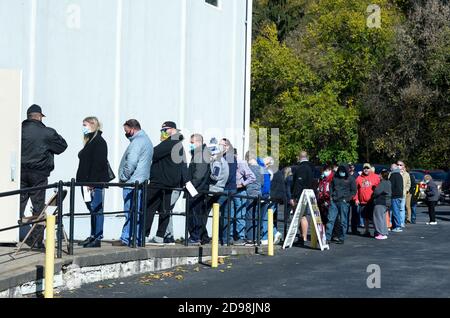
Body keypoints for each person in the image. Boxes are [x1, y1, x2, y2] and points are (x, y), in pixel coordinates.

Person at [20, 104, 67, 248]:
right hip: (39, 174)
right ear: (39, 117)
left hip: (19, 172)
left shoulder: (18, 130)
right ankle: (36, 240)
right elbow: (62, 146)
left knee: (17, 204)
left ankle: (7, 235)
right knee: (38, 207)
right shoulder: (47, 132)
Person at [146, 121, 187, 245]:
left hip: (160, 182)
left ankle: (144, 235)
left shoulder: (171, 142)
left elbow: (153, 153)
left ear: (173, 130)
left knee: (149, 207)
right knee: (164, 210)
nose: (162, 132)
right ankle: (160, 236)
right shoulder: (178, 144)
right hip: (168, 183)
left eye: (165, 129)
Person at [115, 119, 153, 246]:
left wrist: (123, 176)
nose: (125, 133)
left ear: (132, 129)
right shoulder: (147, 140)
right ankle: (136, 238)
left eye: (126, 130)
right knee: (137, 212)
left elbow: (131, 162)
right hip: (141, 182)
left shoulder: (137, 142)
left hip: (132, 183)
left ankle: (127, 238)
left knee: (130, 212)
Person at [76, 117, 110, 248]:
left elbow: (98, 163)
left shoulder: (99, 142)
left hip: (93, 183)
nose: (83, 127)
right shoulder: (90, 141)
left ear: (92, 124)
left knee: (97, 209)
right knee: (92, 209)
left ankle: (97, 237)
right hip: (85, 182)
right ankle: (92, 235)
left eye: (85, 125)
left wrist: (92, 182)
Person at [186, 134, 211, 245]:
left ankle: (195, 237)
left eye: (192, 142)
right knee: (197, 214)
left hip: (196, 189)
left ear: (198, 142)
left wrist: (190, 185)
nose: (190, 144)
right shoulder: (199, 153)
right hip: (197, 188)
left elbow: (199, 175)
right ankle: (202, 237)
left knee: (194, 214)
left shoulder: (200, 154)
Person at [325, 164, 356, 244]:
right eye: (340, 171)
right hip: (334, 201)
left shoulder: (351, 179)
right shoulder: (335, 177)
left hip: (344, 202)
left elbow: (353, 191)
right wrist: (331, 197)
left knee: (343, 221)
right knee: (330, 220)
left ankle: (342, 238)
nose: (342, 173)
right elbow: (331, 187)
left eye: (343, 171)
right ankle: (327, 238)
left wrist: (347, 199)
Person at [291, 151, 314, 244]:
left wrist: (294, 197)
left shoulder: (302, 168)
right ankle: (302, 236)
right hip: (309, 193)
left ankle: (303, 237)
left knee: (302, 216)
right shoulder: (311, 167)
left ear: (299, 157)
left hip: (301, 195)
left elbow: (298, 183)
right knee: (302, 216)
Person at [234, 149, 256, 245]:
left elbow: (252, 177)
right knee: (231, 214)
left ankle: (241, 237)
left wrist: (241, 184)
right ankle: (231, 236)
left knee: (240, 214)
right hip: (231, 191)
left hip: (240, 191)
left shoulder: (241, 163)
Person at [354, 163, 380, 237]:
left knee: (374, 217)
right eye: (364, 168)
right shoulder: (359, 178)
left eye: (367, 168)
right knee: (365, 217)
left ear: (370, 169)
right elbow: (355, 190)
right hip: (363, 202)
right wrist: (356, 199)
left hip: (372, 201)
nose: (366, 169)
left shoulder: (376, 177)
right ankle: (366, 230)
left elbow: (380, 188)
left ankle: (376, 231)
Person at [244, 152, 263, 245]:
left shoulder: (248, 168)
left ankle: (250, 238)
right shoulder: (261, 169)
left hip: (250, 193)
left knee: (249, 215)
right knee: (257, 216)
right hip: (259, 193)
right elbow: (262, 182)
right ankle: (256, 237)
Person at [372, 169, 391, 240]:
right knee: (382, 218)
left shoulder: (382, 183)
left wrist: (373, 192)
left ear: (382, 175)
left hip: (381, 202)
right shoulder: (388, 182)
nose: (378, 175)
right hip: (386, 203)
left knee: (378, 218)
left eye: (380, 174)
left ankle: (380, 233)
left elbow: (376, 192)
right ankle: (384, 232)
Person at [389, 163, 404, 232]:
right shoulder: (399, 175)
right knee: (396, 211)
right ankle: (395, 226)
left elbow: (390, 186)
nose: (390, 169)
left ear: (393, 168)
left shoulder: (393, 175)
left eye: (391, 168)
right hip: (400, 195)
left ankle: (398, 226)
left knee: (395, 211)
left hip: (395, 196)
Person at [397, 160, 411, 228]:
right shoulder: (393, 173)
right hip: (395, 194)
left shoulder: (406, 174)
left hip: (403, 194)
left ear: (403, 166)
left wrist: (406, 190)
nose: (399, 166)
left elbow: (409, 183)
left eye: (400, 165)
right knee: (394, 209)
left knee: (402, 209)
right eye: (398, 164)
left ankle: (402, 223)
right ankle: (394, 223)